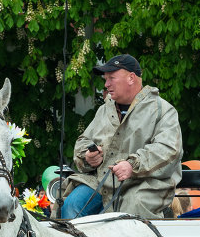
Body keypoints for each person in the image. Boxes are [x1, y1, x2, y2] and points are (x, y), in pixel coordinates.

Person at [60, 54, 183, 219]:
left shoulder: (162, 110)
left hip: (144, 184)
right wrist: (88, 157)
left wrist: (132, 165)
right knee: (72, 205)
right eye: (105, 79)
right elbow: (84, 141)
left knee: (129, 215)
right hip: (100, 182)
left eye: (111, 78)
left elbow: (168, 150)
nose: (106, 84)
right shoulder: (104, 110)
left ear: (131, 78)